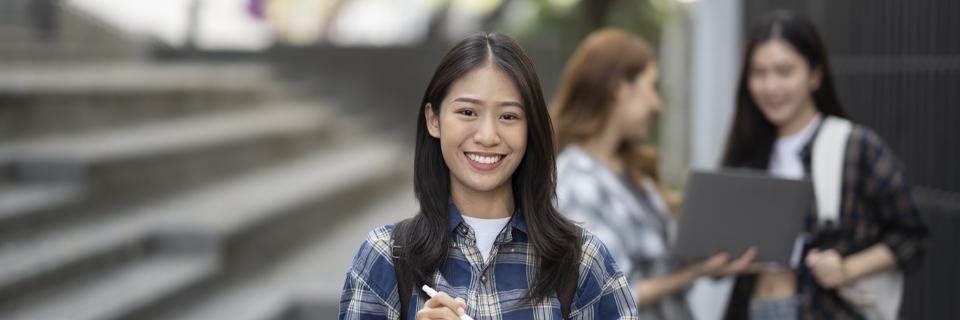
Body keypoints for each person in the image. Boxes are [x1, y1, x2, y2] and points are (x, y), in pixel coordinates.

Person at [338, 32, 638, 320]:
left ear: (530, 128)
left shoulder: (583, 261)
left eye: (508, 116)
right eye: (468, 112)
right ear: (434, 119)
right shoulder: (385, 258)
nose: (488, 136)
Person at [720, 10, 928, 320]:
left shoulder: (855, 147)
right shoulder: (747, 148)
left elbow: (911, 235)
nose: (770, 86)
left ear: (815, 74)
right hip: (752, 308)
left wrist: (847, 268)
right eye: (759, 73)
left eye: (784, 71)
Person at [551, 28, 755, 320]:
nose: (657, 104)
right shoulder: (574, 182)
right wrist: (694, 272)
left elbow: (662, 266)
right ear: (619, 89)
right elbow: (608, 294)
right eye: (652, 87)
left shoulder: (633, 172)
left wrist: (710, 261)